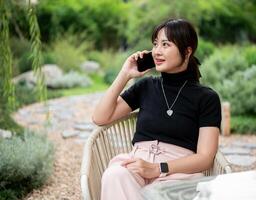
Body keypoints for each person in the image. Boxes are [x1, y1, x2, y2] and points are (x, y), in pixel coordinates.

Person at [92, 18, 222, 200]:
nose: (157, 51)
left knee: (162, 195)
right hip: (136, 166)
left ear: (187, 51)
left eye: (165, 44)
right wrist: (125, 74)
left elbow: (205, 157)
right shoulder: (146, 87)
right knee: (115, 175)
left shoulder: (206, 98)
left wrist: (159, 168)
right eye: (155, 44)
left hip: (177, 172)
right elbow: (100, 117)